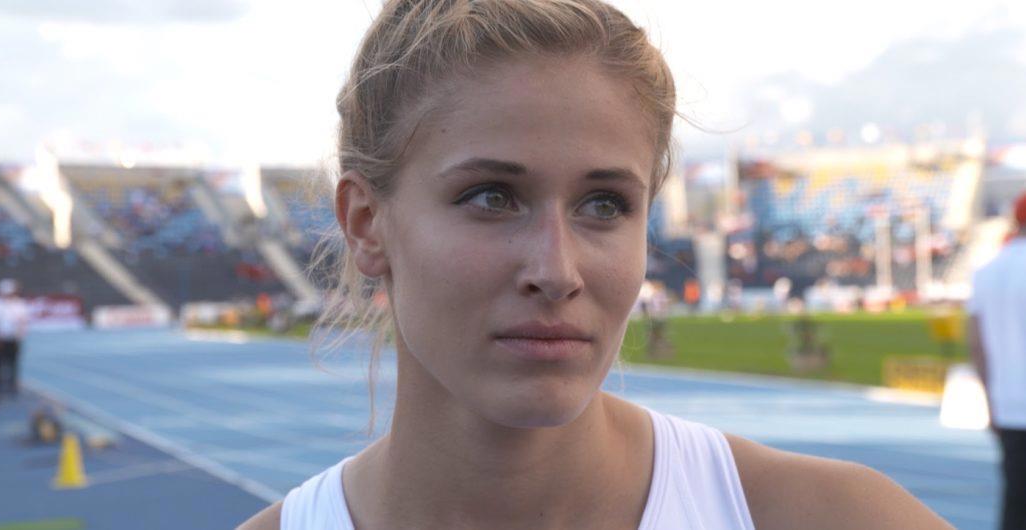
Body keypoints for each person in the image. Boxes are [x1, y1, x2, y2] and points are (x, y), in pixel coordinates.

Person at [240, 1, 949, 528]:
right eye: (491, 197)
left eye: (604, 205)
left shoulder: (830, 516)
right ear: (366, 223)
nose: (557, 270)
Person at [968, 191, 1026, 530]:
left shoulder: (986, 271)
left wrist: (989, 399)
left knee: (1016, 503)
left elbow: (977, 344)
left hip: (1008, 404)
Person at [0, 279, 28, 400]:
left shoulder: (20, 304)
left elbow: (23, 322)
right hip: (0, 338)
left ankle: (12, 386)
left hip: (13, 338)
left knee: (13, 363)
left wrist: (20, 336)